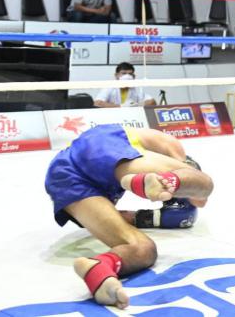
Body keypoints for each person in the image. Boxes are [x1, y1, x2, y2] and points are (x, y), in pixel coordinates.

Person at [44, 124, 213, 309]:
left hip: (63, 176)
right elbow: (199, 198)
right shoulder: (169, 146)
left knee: (143, 249)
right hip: (101, 144)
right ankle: (164, 181)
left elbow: (122, 216)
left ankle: (99, 267)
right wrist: (189, 178)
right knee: (205, 182)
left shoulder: (129, 161)